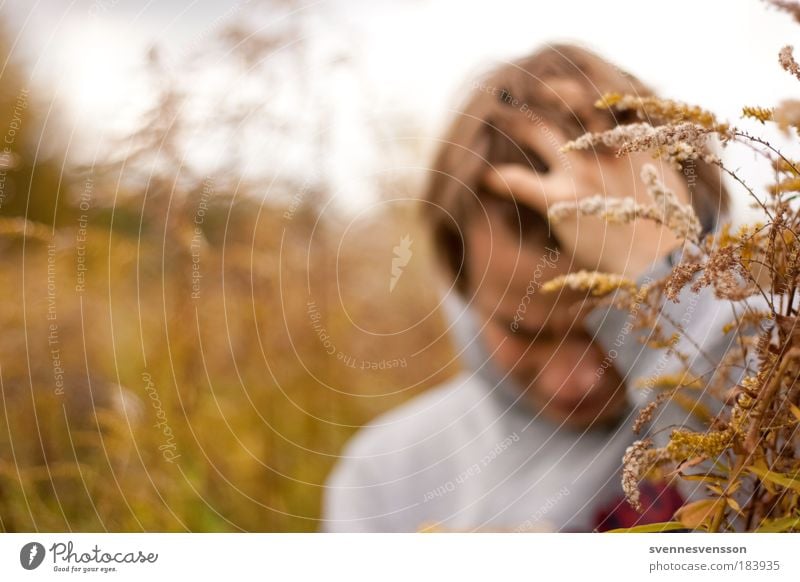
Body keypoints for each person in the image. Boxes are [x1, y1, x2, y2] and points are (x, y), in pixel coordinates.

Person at [322, 44, 736, 532]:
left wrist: (669, 288)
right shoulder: (389, 480)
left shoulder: (766, 418)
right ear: (462, 290)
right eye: (523, 333)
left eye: (615, 324)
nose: (573, 381)